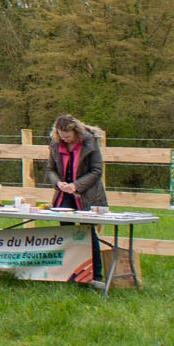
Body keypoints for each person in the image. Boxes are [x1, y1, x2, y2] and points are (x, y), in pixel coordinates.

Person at [47, 114, 106, 280]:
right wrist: (58, 183)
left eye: (68, 136)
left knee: (87, 232)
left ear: (76, 132)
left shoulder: (90, 142)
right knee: (66, 231)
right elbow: (50, 169)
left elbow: (96, 170)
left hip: (86, 195)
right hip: (64, 196)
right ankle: (69, 272)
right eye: (62, 136)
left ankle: (96, 275)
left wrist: (76, 186)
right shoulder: (55, 144)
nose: (65, 139)